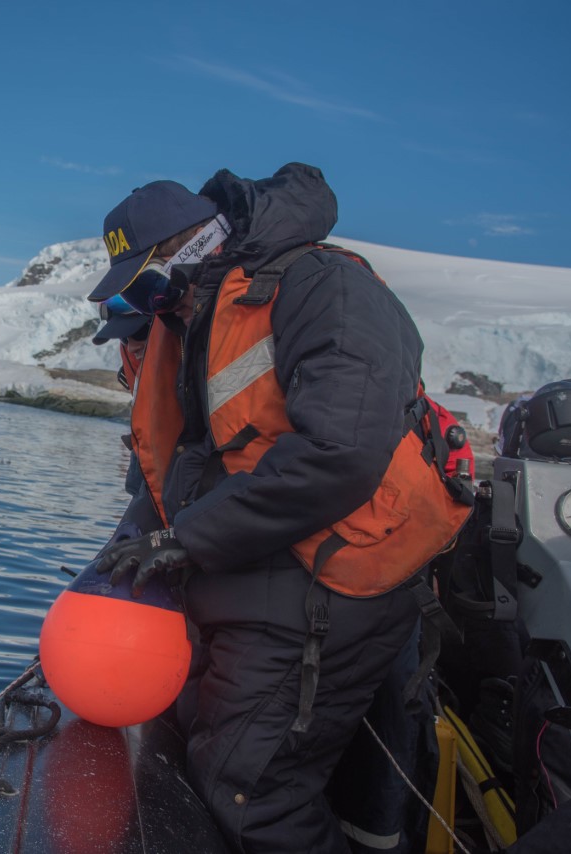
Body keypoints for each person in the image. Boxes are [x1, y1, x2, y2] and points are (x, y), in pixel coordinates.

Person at [86, 163, 472, 853]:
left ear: (196, 249)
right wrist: (137, 553)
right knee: (196, 740)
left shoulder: (324, 286)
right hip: (267, 558)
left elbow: (341, 449)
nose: (152, 307)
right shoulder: (198, 320)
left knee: (251, 789)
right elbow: (192, 460)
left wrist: (189, 540)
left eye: (148, 284)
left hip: (349, 566)